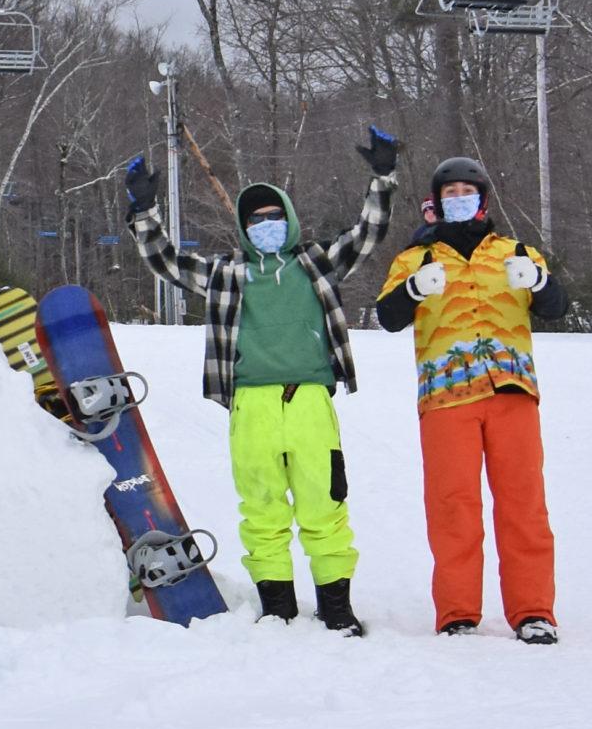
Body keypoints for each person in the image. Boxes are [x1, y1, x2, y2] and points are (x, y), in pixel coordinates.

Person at [125, 128, 401, 634]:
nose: (267, 226)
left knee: (325, 503)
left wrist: (383, 177)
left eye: (275, 218)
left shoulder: (315, 263)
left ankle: (336, 607)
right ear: (244, 228)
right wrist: (145, 213)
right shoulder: (226, 274)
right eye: (257, 221)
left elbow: (367, 234)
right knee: (262, 507)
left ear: (289, 221)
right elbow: (167, 261)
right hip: (251, 407)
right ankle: (277, 606)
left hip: (310, 404)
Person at [377, 156, 567, 644]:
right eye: (449, 192)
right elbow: (387, 316)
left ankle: (533, 611)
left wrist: (540, 283)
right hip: (445, 398)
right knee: (452, 506)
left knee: (523, 504)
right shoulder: (413, 258)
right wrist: (414, 290)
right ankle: (458, 611)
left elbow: (558, 307)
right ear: (437, 202)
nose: (458, 198)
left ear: (482, 198)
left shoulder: (517, 252)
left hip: (512, 391)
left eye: (467, 190)